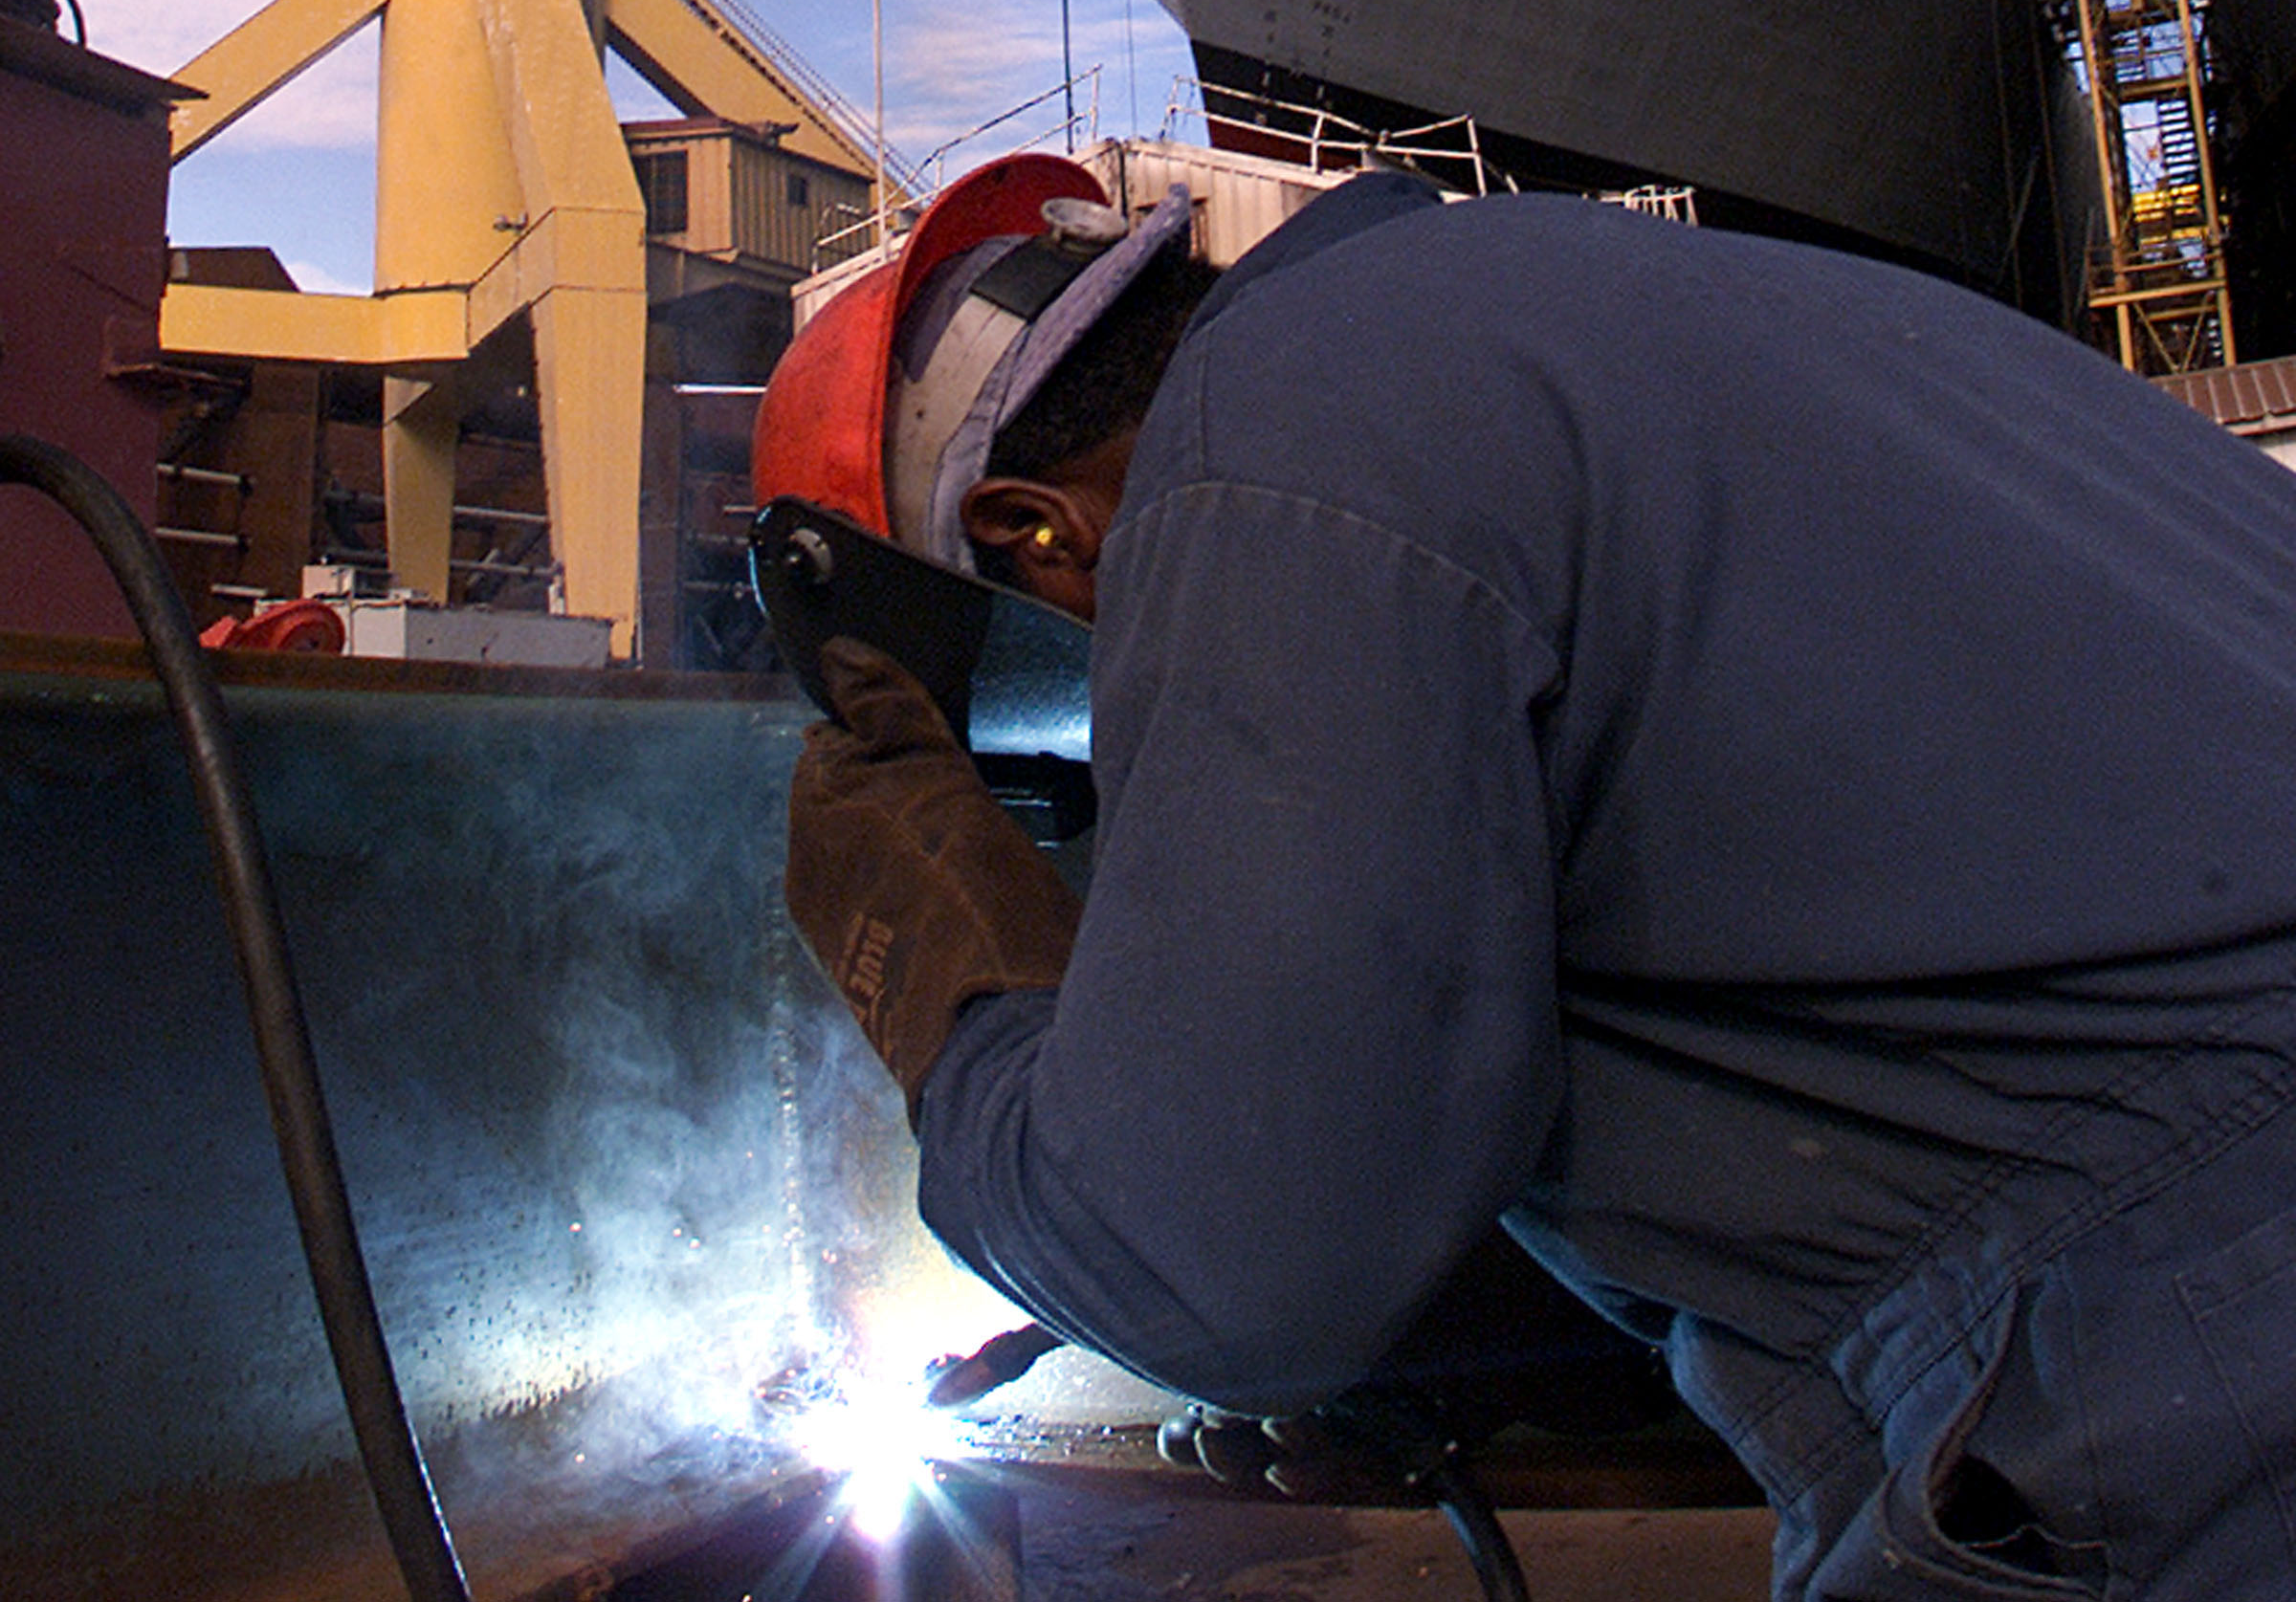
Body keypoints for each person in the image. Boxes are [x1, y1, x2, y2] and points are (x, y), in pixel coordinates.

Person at [758, 148, 2296, 1599]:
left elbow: (1215, 1271)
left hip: (2189, 1372)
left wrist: (954, 993)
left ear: (1035, 531)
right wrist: (1501, 1349)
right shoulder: (1590, 311)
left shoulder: (1261, 454)